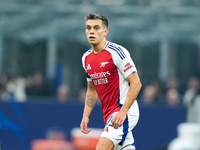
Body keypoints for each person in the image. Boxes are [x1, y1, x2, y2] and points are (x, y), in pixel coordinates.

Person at [80, 13, 142, 150]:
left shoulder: (117, 52)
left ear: (105, 31)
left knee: (101, 148)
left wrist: (123, 112)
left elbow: (136, 83)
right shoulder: (86, 58)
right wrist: (85, 116)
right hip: (109, 114)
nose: (91, 31)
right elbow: (91, 89)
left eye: (96, 28)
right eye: (88, 28)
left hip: (123, 110)